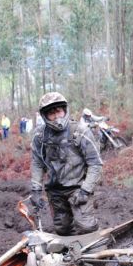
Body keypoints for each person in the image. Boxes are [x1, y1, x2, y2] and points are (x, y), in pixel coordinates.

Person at [30, 92, 103, 236]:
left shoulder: (80, 131)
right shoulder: (40, 136)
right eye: (51, 113)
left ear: (65, 110)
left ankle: (96, 252)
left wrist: (85, 190)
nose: (56, 116)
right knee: (62, 229)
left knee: (86, 226)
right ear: (45, 116)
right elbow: (37, 162)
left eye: (58, 111)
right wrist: (36, 190)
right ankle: (70, 257)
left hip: (78, 187)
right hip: (54, 190)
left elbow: (95, 164)